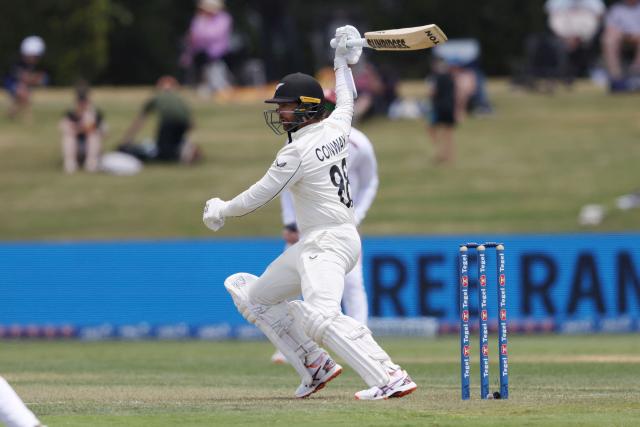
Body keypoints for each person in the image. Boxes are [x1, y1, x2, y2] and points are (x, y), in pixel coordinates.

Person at [202, 25, 416, 400]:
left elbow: (258, 195)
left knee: (321, 314)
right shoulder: (337, 125)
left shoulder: (295, 152)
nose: (280, 113)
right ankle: (314, 365)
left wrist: (221, 209)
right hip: (325, 241)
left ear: (305, 107)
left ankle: (389, 376)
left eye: (285, 106)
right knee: (254, 296)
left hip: (328, 243)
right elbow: (347, 98)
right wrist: (341, 61)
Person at [271, 88, 378, 364]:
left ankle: (362, 338)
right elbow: (284, 187)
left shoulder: (358, 143)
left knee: (353, 283)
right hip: (305, 225)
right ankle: (300, 345)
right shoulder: (298, 141)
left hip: (340, 223)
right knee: (299, 285)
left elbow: (369, 183)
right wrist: (289, 222)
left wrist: (357, 216)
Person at [118, 76, 200, 164]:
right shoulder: (180, 99)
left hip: (168, 122)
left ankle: (180, 154)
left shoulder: (157, 97)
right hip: (183, 124)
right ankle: (184, 149)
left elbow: (139, 121)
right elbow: (192, 123)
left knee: (163, 153)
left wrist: (126, 140)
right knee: (173, 144)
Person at [544, 0, 606, 84]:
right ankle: (561, 74)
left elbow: (599, 18)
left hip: (587, 37)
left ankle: (593, 72)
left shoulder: (594, 2)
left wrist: (581, 36)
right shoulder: (556, 3)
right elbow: (552, 19)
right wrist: (566, 38)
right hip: (561, 37)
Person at [180, 0, 233, 95]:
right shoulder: (199, 19)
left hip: (218, 53)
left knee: (215, 69)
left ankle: (218, 86)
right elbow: (193, 35)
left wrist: (200, 35)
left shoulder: (224, 18)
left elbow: (215, 35)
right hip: (200, 53)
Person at [58, 84, 104, 174]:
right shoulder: (71, 114)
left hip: (90, 147)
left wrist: (86, 125)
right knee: (69, 136)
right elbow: (64, 127)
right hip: (75, 147)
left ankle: (91, 164)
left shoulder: (95, 113)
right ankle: (70, 164)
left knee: (93, 136)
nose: (82, 105)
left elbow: (102, 130)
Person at [3, 36, 47, 120]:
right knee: (24, 94)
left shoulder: (29, 64)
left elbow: (27, 79)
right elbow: (24, 78)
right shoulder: (18, 63)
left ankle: (11, 114)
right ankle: (28, 117)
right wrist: (36, 79)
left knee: (21, 97)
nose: (36, 59)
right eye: (35, 56)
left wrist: (35, 79)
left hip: (20, 84)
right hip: (10, 83)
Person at [601, 0, 640, 92]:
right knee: (608, 39)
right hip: (622, 38)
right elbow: (610, 28)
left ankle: (636, 74)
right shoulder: (616, 9)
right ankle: (616, 78)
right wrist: (625, 35)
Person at [427, 58, 457, 165]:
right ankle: (449, 156)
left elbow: (433, 92)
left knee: (432, 129)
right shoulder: (450, 77)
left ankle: (440, 153)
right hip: (449, 106)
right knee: (448, 133)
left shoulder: (435, 77)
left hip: (439, 107)